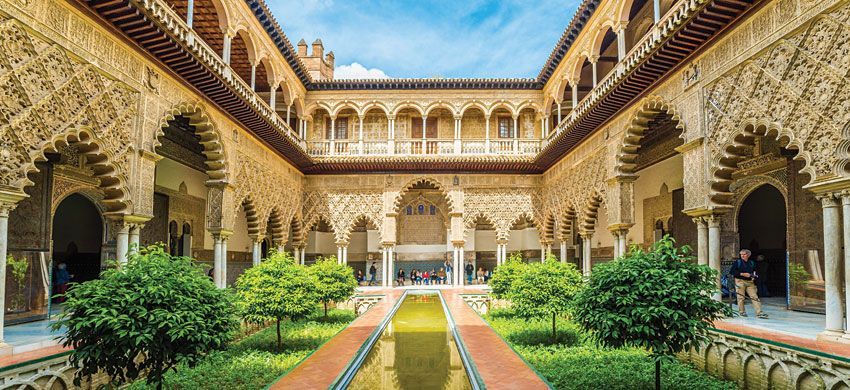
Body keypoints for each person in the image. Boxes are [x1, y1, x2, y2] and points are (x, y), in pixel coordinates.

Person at [730, 249, 768, 318]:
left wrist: (754, 276)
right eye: (741, 254)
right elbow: (732, 272)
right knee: (741, 297)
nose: (742, 256)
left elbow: (755, 271)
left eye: (744, 254)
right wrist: (742, 274)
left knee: (755, 297)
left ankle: (759, 313)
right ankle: (742, 312)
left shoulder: (752, 263)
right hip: (740, 281)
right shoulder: (737, 262)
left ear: (748, 255)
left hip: (750, 282)